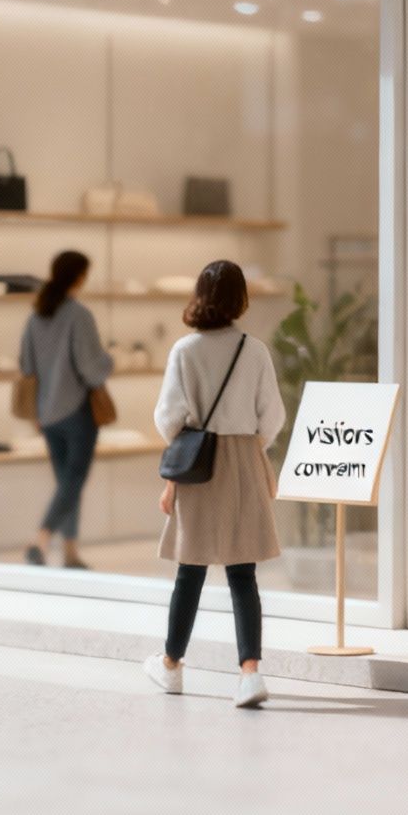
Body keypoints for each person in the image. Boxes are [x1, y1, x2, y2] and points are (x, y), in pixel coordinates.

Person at [143, 260, 286, 709]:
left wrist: (178, 468)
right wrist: (250, 449)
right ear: (241, 299)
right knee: (244, 574)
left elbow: (168, 417)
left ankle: (171, 666)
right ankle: (249, 674)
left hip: (199, 462)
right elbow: (273, 417)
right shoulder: (254, 350)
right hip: (245, 458)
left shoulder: (185, 351)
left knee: (190, 572)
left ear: (199, 295)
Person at [19, 250, 114, 569]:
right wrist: (110, 359)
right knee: (73, 481)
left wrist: (36, 413)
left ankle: (70, 551)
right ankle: (42, 539)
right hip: (77, 411)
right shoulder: (78, 315)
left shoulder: (37, 315)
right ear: (79, 277)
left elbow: (27, 365)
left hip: (46, 412)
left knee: (66, 482)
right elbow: (92, 368)